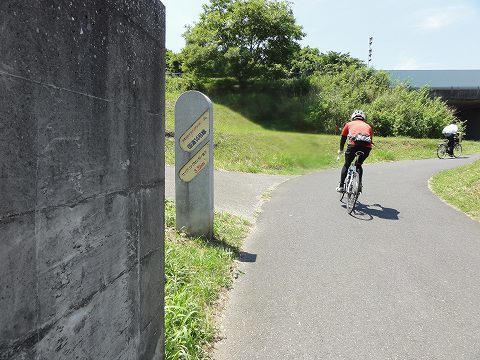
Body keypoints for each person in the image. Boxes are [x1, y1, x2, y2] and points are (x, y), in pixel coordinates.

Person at [336, 110, 373, 193]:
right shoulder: (368, 126)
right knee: (359, 165)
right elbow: (370, 140)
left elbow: (343, 138)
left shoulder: (349, 124)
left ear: (353, 117)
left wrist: (341, 149)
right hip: (366, 148)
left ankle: (341, 186)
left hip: (353, 146)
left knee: (347, 164)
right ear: (363, 118)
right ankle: (359, 185)